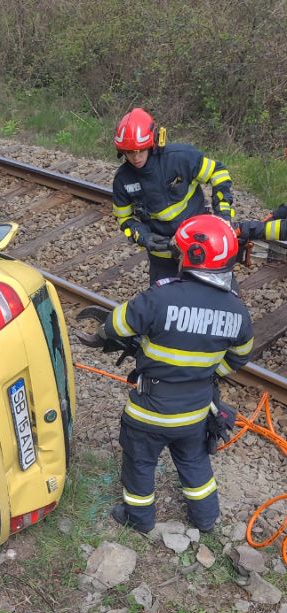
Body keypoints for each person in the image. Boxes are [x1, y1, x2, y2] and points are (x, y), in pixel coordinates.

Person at [90, 215, 253, 534]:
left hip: (150, 409)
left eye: (180, 253)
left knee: (139, 463)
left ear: (192, 256)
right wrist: (206, 373)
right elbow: (240, 356)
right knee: (194, 463)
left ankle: (138, 518)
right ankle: (206, 518)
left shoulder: (160, 297)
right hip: (195, 412)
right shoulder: (238, 311)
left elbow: (115, 326)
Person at [111, 108, 235, 286]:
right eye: (130, 152)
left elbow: (219, 173)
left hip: (200, 247)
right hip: (162, 255)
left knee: (215, 297)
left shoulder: (179, 158)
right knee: (165, 306)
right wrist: (143, 237)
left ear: (153, 143)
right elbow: (124, 218)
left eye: (140, 150)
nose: (136, 157)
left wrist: (223, 214)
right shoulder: (123, 180)